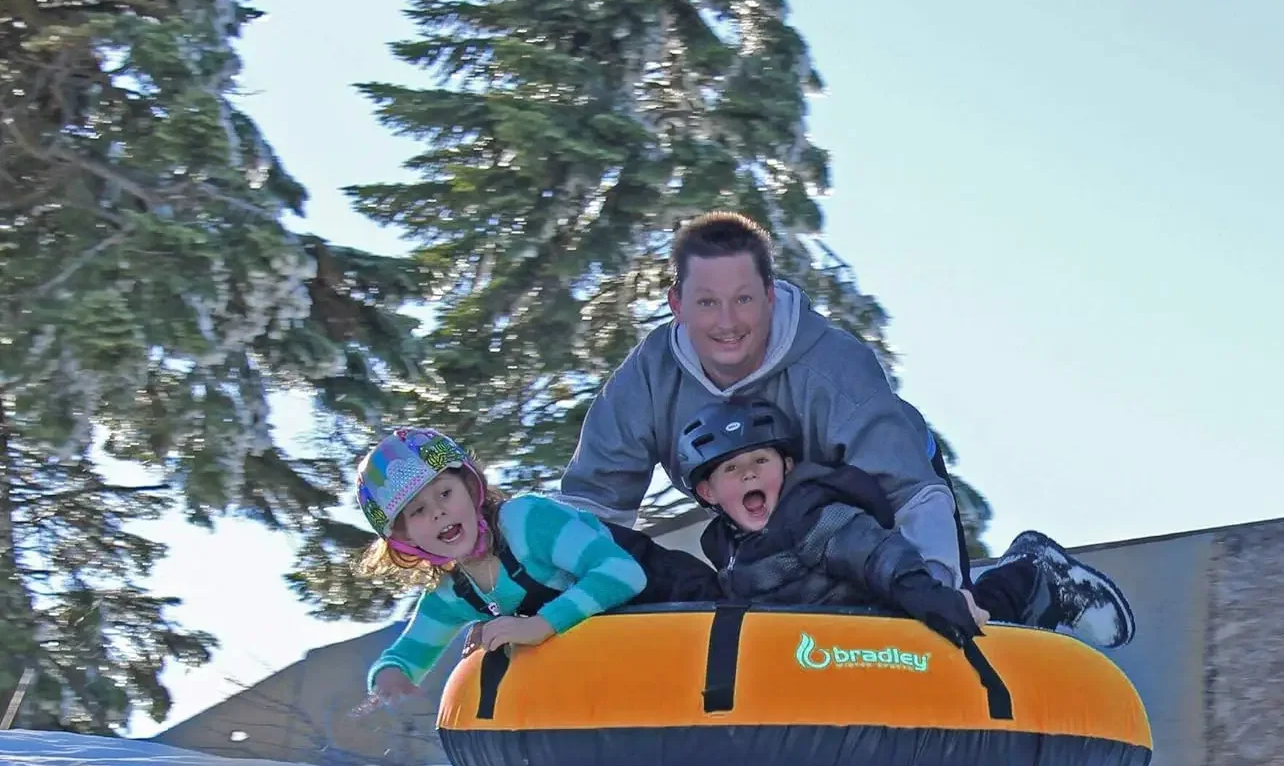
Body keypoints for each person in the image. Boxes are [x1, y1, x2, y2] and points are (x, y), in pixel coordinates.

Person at [556, 209, 1135, 649]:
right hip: (761, 525)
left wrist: (940, 591)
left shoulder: (832, 368)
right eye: (708, 303)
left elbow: (914, 493)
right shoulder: (647, 382)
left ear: (769, 293)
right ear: (677, 304)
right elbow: (593, 507)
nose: (728, 323)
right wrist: (567, 609)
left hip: (883, 492)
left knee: (914, 612)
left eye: (743, 300)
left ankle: (1029, 581)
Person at [353, 426, 649, 705]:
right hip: (622, 659)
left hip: (678, 607)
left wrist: (539, 625)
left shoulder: (526, 521)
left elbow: (623, 572)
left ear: (469, 488)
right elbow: (407, 655)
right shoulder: (450, 593)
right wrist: (389, 675)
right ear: (404, 536)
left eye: (445, 494)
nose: (438, 512)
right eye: (418, 510)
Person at [682, 397, 987, 647]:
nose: (749, 474)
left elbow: (871, 552)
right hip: (806, 653)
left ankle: (1029, 566)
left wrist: (922, 593)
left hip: (868, 639)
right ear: (708, 491)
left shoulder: (808, 514)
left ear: (787, 467)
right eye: (731, 468)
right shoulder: (726, 549)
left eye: (761, 460)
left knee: (994, 604)